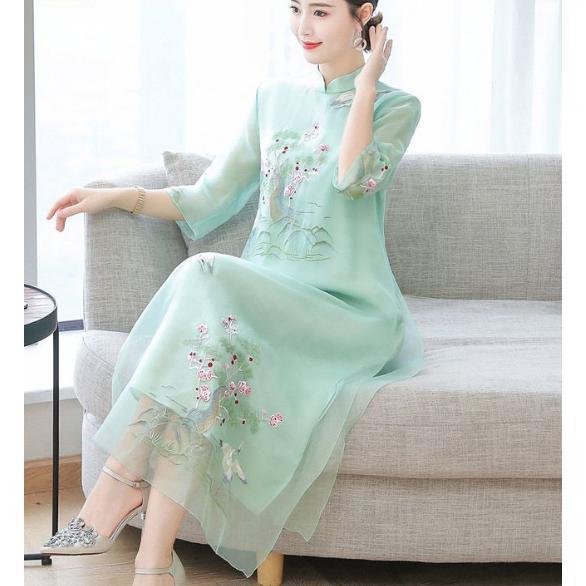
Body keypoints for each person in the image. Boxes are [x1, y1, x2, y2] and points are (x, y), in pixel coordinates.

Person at [42, 1, 424, 583]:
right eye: (296, 9)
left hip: (347, 313)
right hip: (263, 300)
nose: (303, 27)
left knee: (205, 276)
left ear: (363, 17)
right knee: (207, 357)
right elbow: (208, 197)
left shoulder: (396, 106)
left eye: (322, 11)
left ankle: (118, 485)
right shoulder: (273, 99)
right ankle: (153, 564)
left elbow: (352, 179)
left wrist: (367, 83)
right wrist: (116, 196)